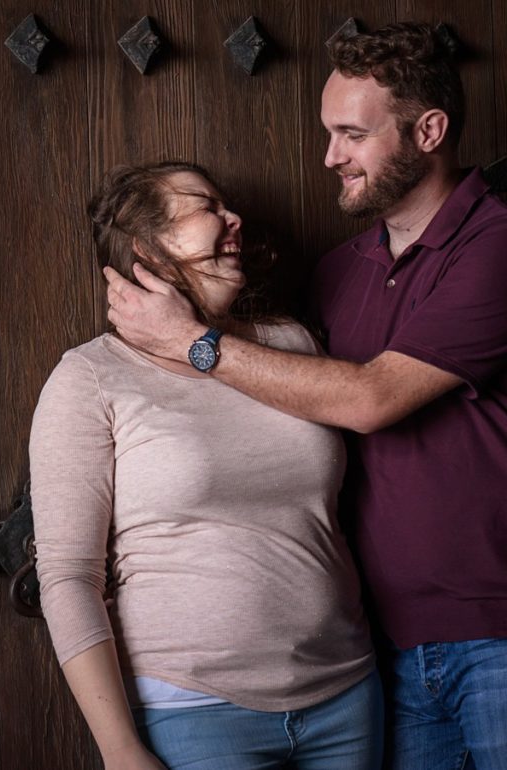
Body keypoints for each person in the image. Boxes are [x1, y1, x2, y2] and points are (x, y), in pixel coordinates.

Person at [104, 23, 507, 769]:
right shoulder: (338, 272)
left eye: (352, 134)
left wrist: (191, 342)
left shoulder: (496, 243)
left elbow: (371, 399)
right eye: (328, 133)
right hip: (379, 649)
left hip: (495, 634)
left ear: (429, 131)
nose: (330, 158)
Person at [31, 161, 381, 770]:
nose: (232, 218)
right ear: (148, 248)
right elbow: (67, 577)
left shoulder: (291, 343)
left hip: (347, 697)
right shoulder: (88, 377)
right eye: (205, 206)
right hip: (193, 712)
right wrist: (120, 751)